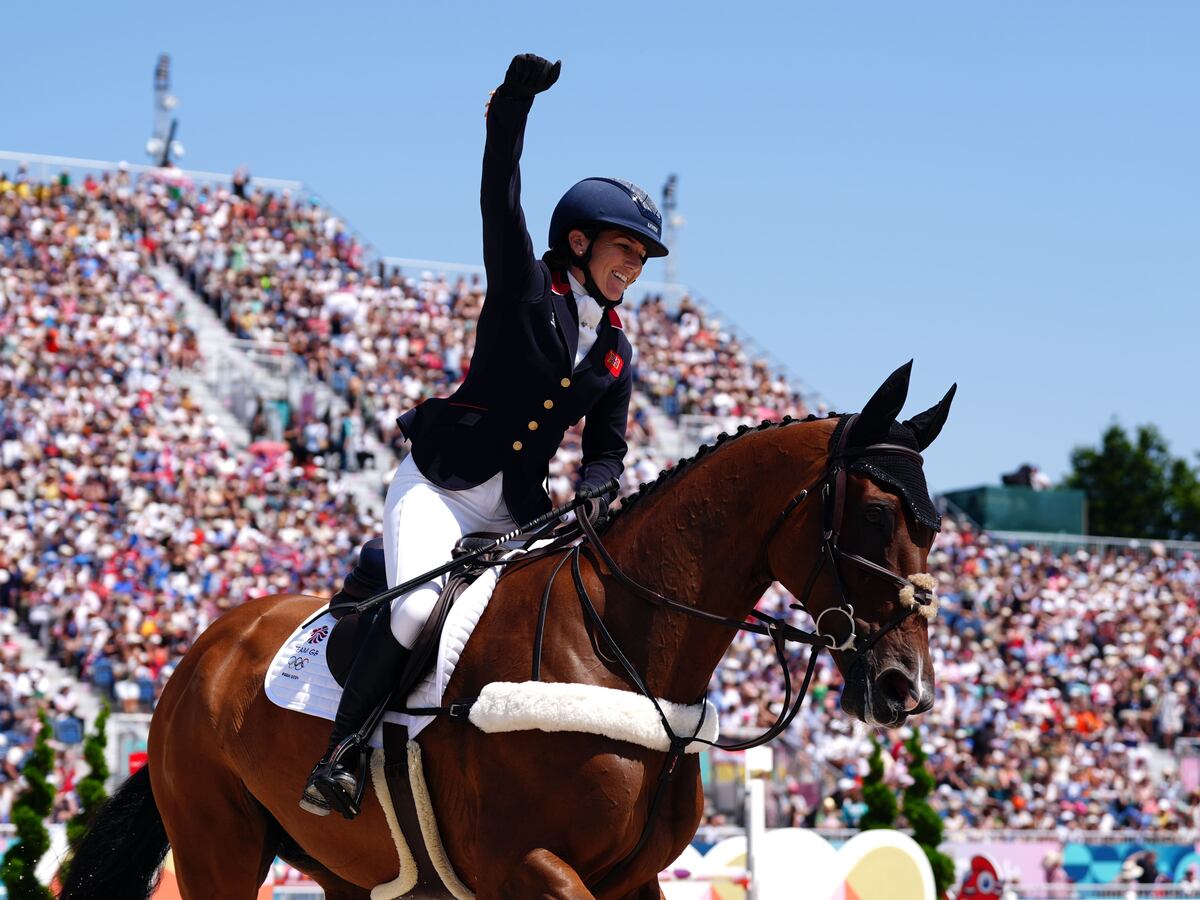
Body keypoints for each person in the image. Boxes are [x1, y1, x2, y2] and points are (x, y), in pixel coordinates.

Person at [301, 52, 669, 818]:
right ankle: (340, 758)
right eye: (624, 249)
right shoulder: (524, 286)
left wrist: (598, 490)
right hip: (443, 485)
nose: (632, 265)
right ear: (578, 242)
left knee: (564, 619)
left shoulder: (616, 349)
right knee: (412, 613)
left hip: (518, 511)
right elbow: (500, 193)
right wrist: (512, 110)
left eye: (640, 258)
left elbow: (606, 448)